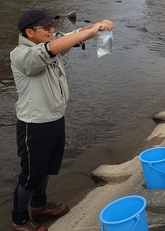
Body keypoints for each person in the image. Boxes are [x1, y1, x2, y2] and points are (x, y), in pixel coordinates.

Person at [10, 9, 114, 231]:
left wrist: (97, 27)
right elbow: (54, 47)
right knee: (30, 175)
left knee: (46, 168)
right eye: (46, 28)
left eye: (52, 26)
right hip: (34, 125)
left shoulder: (49, 42)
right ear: (29, 32)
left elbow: (72, 36)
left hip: (55, 119)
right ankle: (19, 221)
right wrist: (88, 32)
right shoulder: (21, 55)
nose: (52, 30)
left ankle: (39, 206)